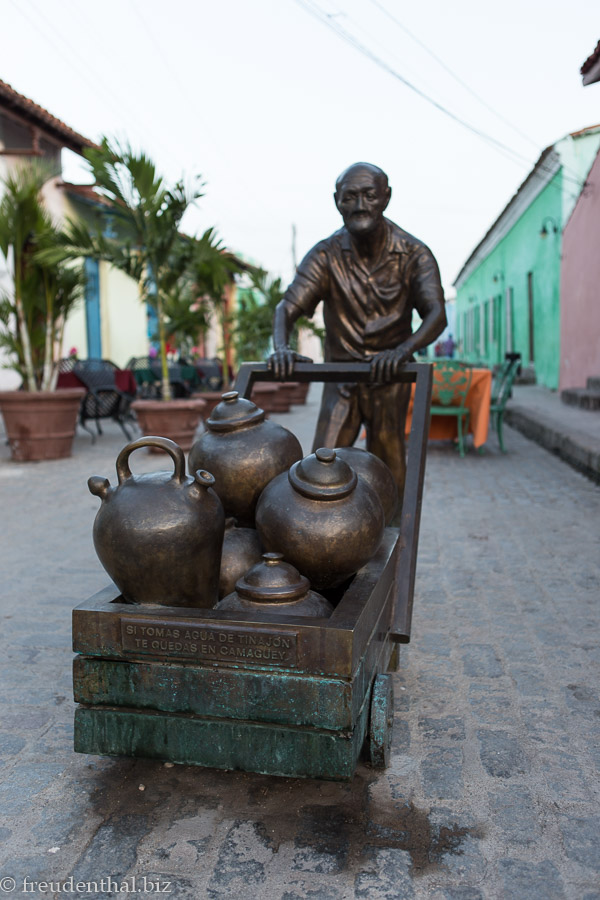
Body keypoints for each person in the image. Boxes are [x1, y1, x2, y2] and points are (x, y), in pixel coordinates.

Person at [268, 162, 447, 503]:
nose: (360, 205)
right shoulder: (325, 254)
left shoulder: (413, 253)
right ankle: (317, 538)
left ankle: (393, 543)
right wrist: (281, 348)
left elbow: (436, 314)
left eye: (369, 195)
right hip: (342, 380)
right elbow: (287, 307)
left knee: (389, 467)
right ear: (337, 201)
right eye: (350, 197)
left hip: (389, 377)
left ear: (386, 197)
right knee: (320, 465)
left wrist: (402, 351)